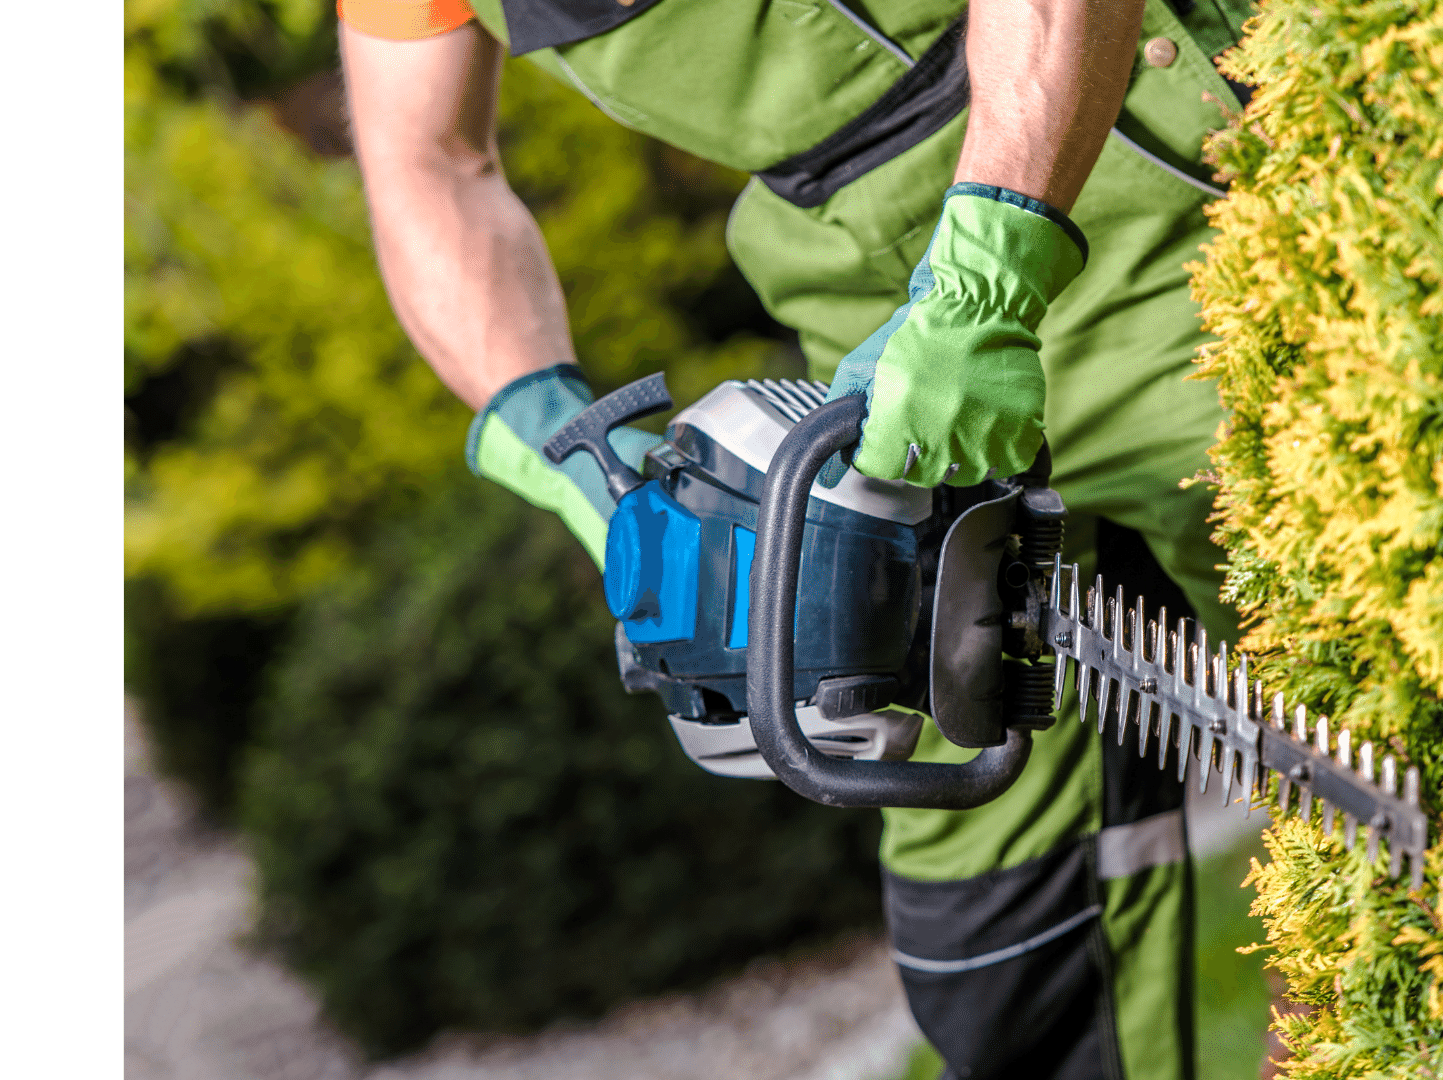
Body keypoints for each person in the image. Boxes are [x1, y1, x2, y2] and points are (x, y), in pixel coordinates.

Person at [340, 2, 1255, 1076]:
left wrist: (984, 279)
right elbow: (426, 165)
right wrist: (563, 446)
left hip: (1136, 176)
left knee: (1398, 714)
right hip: (858, 297)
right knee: (997, 954)